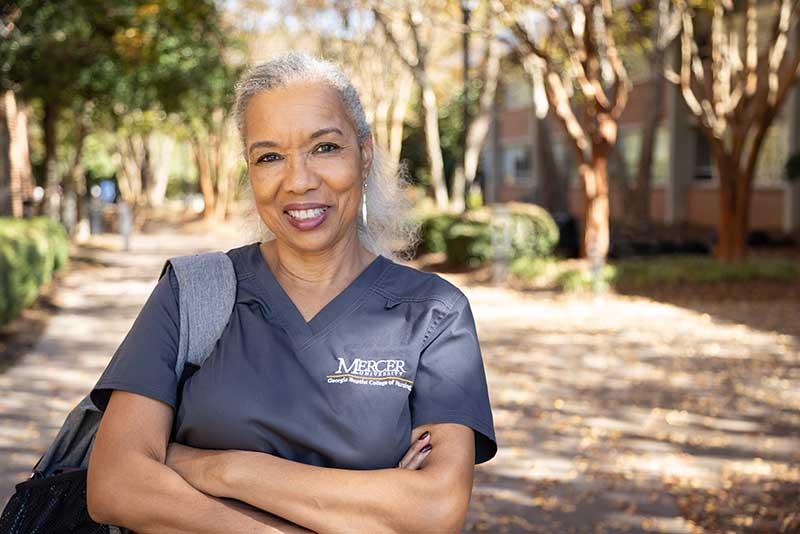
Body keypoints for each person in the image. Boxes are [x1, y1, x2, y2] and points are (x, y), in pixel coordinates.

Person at [86, 51, 497, 534]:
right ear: (250, 170)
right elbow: (115, 485)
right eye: (270, 156)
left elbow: (434, 510)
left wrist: (219, 469)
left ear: (364, 155)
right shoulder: (193, 294)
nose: (299, 181)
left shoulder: (433, 314)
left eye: (324, 148)